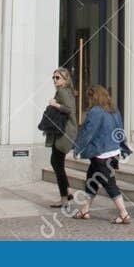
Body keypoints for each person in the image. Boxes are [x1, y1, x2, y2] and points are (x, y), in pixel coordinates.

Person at [72, 84, 133, 224]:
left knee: (110, 184)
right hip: (113, 152)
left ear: (94, 96)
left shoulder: (95, 111)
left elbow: (88, 132)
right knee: (91, 180)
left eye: (89, 97)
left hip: (101, 153)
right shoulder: (113, 110)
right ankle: (84, 210)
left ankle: (124, 214)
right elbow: (120, 131)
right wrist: (123, 147)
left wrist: (77, 149)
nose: (88, 100)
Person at [43, 67, 78, 206]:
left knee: (56, 163)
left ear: (65, 79)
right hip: (64, 132)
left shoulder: (63, 92)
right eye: (53, 77)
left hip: (64, 132)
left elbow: (70, 110)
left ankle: (64, 198)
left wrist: (55, 104)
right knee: (58, 163)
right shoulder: (66, 91)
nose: (54, 80)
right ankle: (67, 191)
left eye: (57, 77)